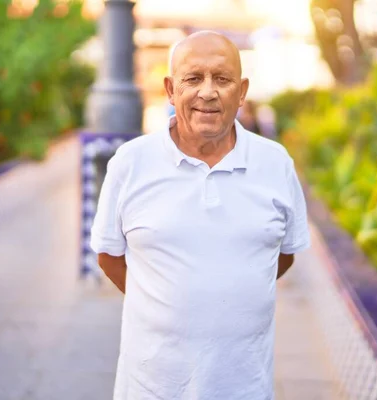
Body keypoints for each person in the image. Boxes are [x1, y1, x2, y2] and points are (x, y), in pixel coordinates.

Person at [90, 31, 310, 400]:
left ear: (241, 92)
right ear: (170, 89)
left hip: (245, 386)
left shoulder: (276, 163)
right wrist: (166, 301)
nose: (207, 92)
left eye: (221, 79)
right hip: (152, 385)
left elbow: (283, 254)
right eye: (193, 78)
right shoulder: (130, 162)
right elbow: (109, 256)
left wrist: (228, 296)